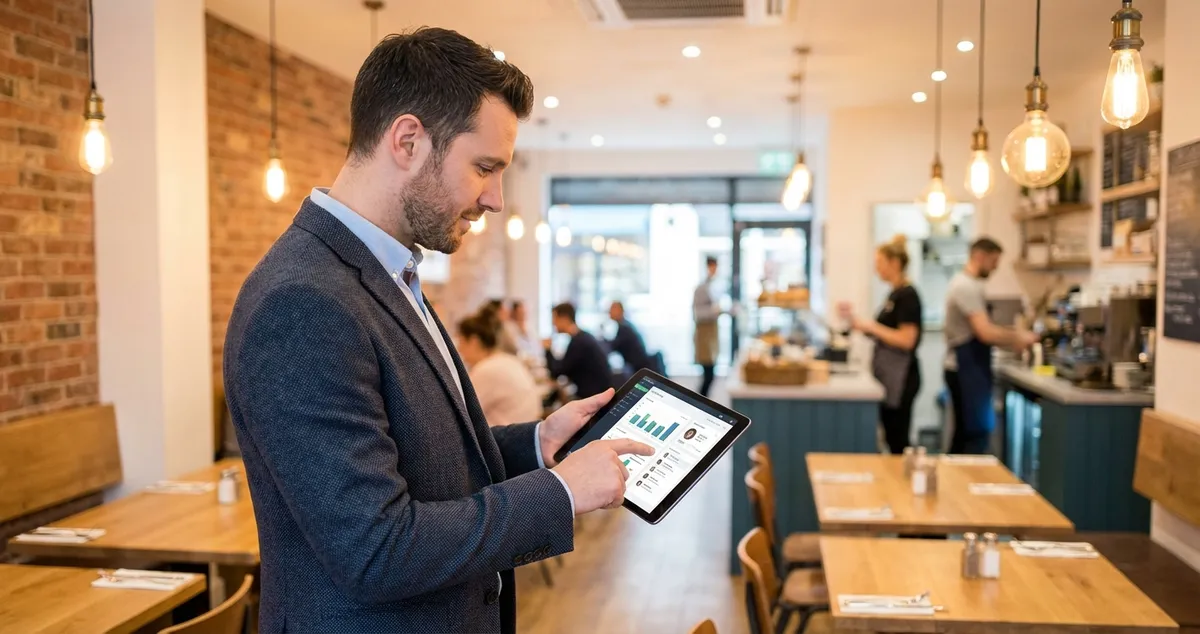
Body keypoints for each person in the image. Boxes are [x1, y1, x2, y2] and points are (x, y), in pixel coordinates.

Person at [223, 28, 654, 634]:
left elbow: (426, 456)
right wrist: (558, 492)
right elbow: (375, 549)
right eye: (484, 168)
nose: (496, 199)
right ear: (408, 141)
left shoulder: (387, 271)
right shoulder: (303, 301)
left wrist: (538, 443)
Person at [943, 237, 1038, 454]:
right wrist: (1018, 337)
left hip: (968, 367)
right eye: (994, 261)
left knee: (966, 434)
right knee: (974, 435)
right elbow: (984, 332)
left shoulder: (969, 284)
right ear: (979, 256)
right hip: (965, 369)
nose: (995, 268)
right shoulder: (965, 287)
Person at [838, 235, 923, 455]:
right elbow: (886, 332)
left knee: (898, 439)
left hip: (902, 376)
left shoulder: (908, 295)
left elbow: (906, 339)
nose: (876, 269)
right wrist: (860, 324)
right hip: (889, 373)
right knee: (890, 435)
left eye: (879, 263)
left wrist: (872, 327)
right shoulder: (894, 294)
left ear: (894, 263)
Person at [458, 313, 542, 426]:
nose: (459, 349)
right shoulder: (508, 360)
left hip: (506, 434)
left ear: (474, 342)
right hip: (526, 430)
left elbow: (461, 413)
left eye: (461, 341)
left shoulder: (486, 369)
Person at [544, 302, 614, 399]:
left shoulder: (578, 342)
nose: (553, 323)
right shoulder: (582, 336)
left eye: (555, 318)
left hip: (593, 396)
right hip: (595, 392)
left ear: (564, 318)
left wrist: (547, 349)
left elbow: (557, 372)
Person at [693, 256, 723, 397]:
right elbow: (698, 313)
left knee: (710, 374)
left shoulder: (714, 286)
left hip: (711, 334)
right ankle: (699, 402)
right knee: (708, 374)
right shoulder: (701, 288)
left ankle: (701, 402)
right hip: (704, 335)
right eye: (712, 267)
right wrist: (715, 311)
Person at [604, 301, 653, 378]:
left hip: (637, 367)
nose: (609, 312)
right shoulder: (625, 325)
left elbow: (614, 346)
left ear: (620, 311)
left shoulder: (625, 328)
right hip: (636, 366)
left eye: (612, 310)